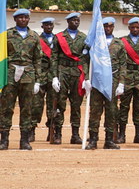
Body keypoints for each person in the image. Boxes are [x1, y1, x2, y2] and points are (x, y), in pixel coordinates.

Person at [1, 9, 42, 150]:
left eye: (26, 17)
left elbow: (38, 59)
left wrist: (38, 80)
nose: (23, 20)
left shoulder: (34, 36)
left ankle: (24, 140)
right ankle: (4, 140)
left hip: (28, 75)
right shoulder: (7, 35)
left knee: (27, 108)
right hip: (10, 74)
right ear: (15, 19)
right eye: (20, 18)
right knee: (6, 108)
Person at [84, 17, 126, 150]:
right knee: (95, 111)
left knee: (111, 111)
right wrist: (86, 78)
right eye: (105, 27)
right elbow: (85, 61)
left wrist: (121, 83)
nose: (108, 29)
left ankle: (109, 140)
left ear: (113, 27)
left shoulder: (118, 43)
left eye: (110, 26)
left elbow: (123, 64)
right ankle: (93, 140)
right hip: (97, 80)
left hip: (112, 81)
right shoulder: (94, 42)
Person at [52, 11, 88, 145]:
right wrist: (54, 77)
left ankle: (75, 134)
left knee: (76, 104)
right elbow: (54, 58)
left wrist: (86, 76)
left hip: (77, 73)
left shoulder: (84, 38)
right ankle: (58, 134)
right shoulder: (59, 37)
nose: (76, 23)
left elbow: (85, 59)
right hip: (62, 72)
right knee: (60, 104)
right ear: (68, 22)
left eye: (78, 21)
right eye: (73, 20)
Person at [117, 16, 139, 144]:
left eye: (137, 27)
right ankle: (121, 134)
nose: (135, 29)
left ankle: (138, 135)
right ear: (129, 28)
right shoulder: (121, 41)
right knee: (124, 106)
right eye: (133, 27)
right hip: (126, 77)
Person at [35, 16, 57, 143]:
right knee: (36, 105)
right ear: (42, 26)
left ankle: (51, 131)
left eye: (51, 25)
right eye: (46, 25)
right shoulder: (37, 39)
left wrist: (56, 77)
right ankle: (32, 130)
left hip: (53, 75)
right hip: (40, 74)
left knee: (52, 105)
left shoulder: (57, 39)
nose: (49, 27)